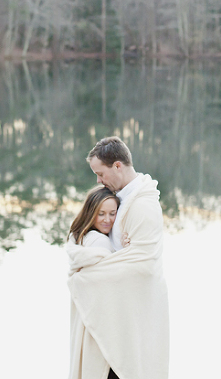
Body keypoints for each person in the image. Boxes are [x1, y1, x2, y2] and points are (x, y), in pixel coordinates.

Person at [67, 136, 170, 379]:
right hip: (112, 311)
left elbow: (142, 265)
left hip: (129, 317)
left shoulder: (142, 206)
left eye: (100, 173)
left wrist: (86, 278)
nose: (98, 180)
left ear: (117, 166)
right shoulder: (120, 198)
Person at [68, 186, 120, 252]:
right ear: (90, 214)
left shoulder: (80, 237)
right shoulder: (100, 241)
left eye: (112, 214)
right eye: (101, 214)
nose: (107, 220)